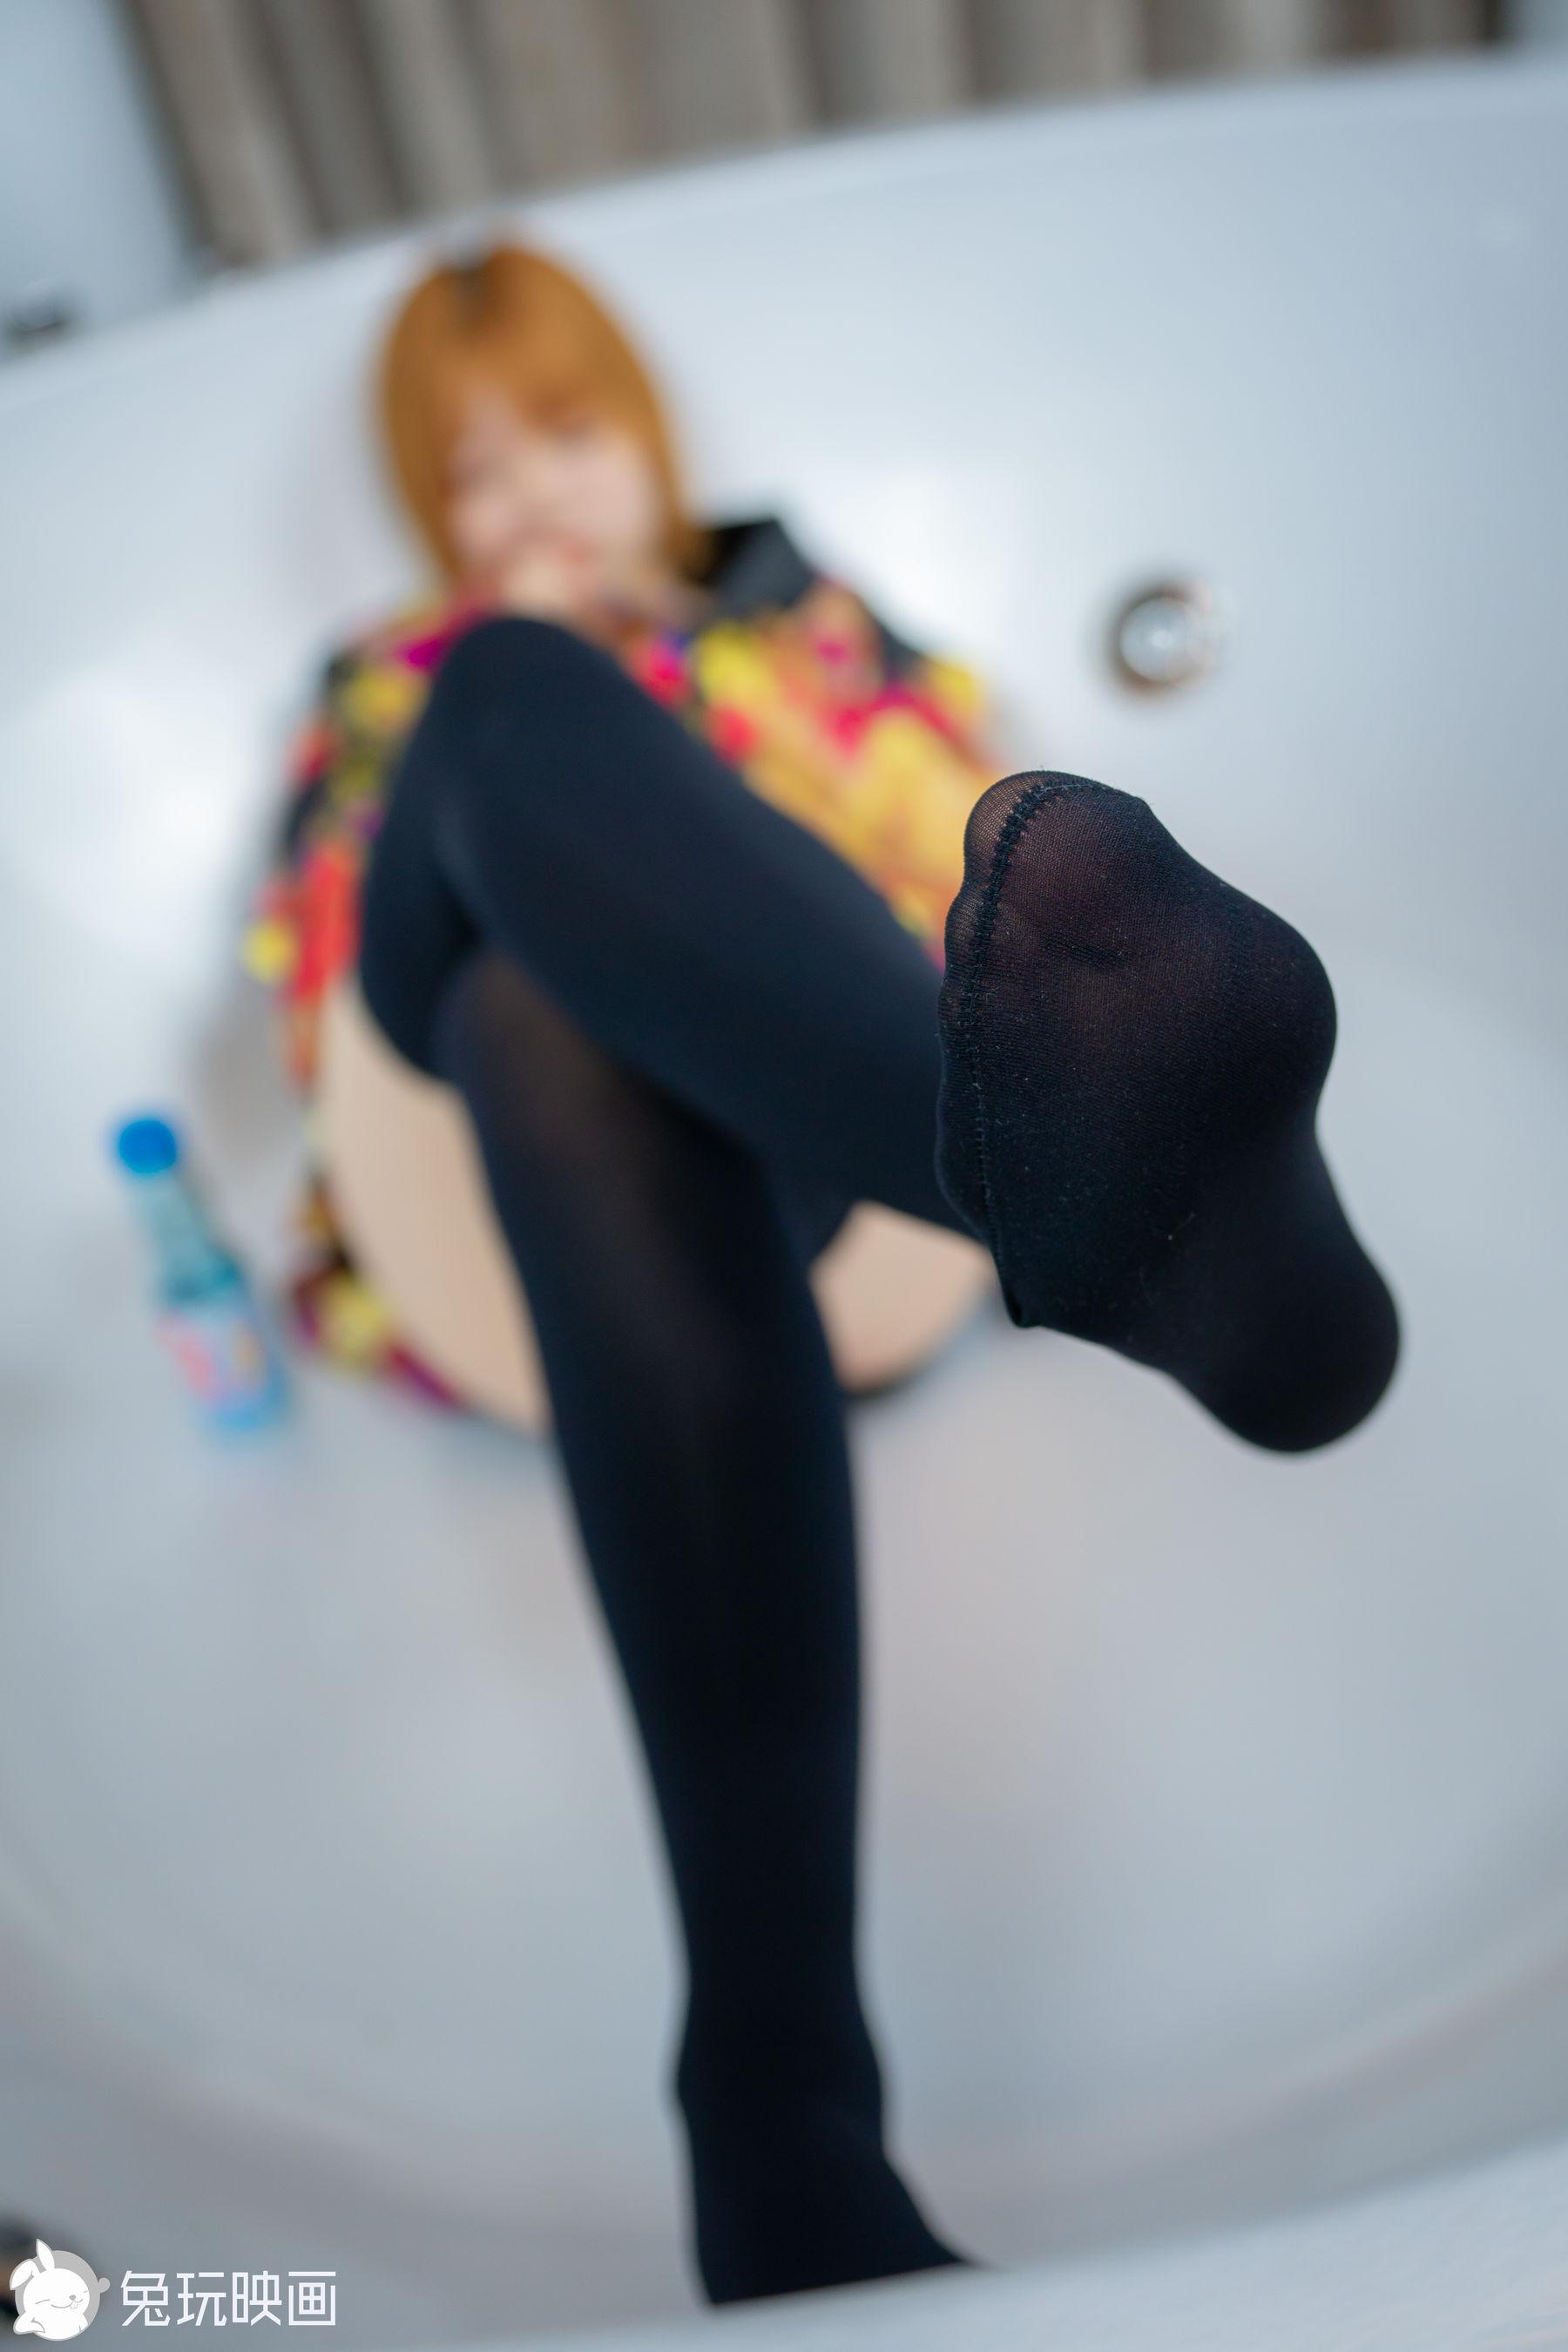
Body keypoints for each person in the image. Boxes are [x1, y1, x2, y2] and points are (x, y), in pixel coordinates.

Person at [247, 242, 1400, 2308]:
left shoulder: (806, 626)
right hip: (473, 1232)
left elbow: (983, 860)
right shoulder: (393, 671)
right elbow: (322, 973)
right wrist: (551, 737)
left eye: (563, 437)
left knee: (577, 1018)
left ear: (648, 434)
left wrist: (706, 737)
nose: (526, 502)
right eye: (469, 476)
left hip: (839, 1215)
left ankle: (774, 2127)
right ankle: (1104, 1222)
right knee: (512, 819)